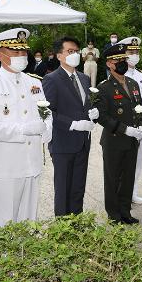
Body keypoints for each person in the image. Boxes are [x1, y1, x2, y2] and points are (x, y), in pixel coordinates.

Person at [0, 28, 52, 227]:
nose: (22, 57)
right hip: (6, 166)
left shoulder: (34, 82)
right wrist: (23, 129)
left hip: (31, 162)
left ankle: (27, 257)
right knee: (6, 222)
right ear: (1, 55)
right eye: (16, 53)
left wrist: (47, 130)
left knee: (29, 220)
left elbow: (46, 111)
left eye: (24, 52)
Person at [43, 37, 98, 216]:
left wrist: (94, 114)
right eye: (69, 51)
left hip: (82, 142)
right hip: (63, 142)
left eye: (76, 51)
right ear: (59, 55)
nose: (74, 54)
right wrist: (73, 124)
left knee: (77, 188)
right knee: (63, 188)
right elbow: (49, 111)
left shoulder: (83, 78)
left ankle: (77, 225)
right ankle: (62, 229)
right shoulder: (51, 79)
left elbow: (86, 104)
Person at [94, 43, 142, 224]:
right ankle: (114, 215)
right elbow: (103, 117)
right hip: (114, 140)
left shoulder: (132, 84)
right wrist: (125, 129)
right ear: (109, 64)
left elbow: (140, 109)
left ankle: (126, 212)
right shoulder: (104, 87)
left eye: (124, 59)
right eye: (118, 60)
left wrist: (141, 128)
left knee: (128, 177)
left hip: (132, 140)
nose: (122, 63)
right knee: (113, 178)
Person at [119, 36, 142, 204]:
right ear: (124, 53)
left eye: (137, 52)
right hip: (126, 123)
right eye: (131, 52)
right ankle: (121, 192)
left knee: (138, 157)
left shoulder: (140, 74)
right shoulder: (120, 73)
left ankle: (133, 191)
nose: (135, 55)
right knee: (124, 158)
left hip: (140, 123)